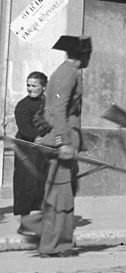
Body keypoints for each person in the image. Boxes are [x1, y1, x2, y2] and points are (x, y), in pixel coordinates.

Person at [22, 37, 91, 257]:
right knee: (60, 196)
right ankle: (49, 240)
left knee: (61, 193)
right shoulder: (68, 74)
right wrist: (63, 142)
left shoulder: (67, 72)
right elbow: (58, 110)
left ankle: (57, 242)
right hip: (61, 141)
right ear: (83, 54)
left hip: (64, 139)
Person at [13, 72, 48, 235]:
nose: (30, 89)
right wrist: (38, 137)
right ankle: (24, 224)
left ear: (43, 87)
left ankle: (39, 222)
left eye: (34, 86)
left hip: (43, 149)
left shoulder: (48, 104)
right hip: (25, 149)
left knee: (41, 184)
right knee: (25, 184)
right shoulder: (22, 105)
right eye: (28, 85)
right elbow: (25, 128)